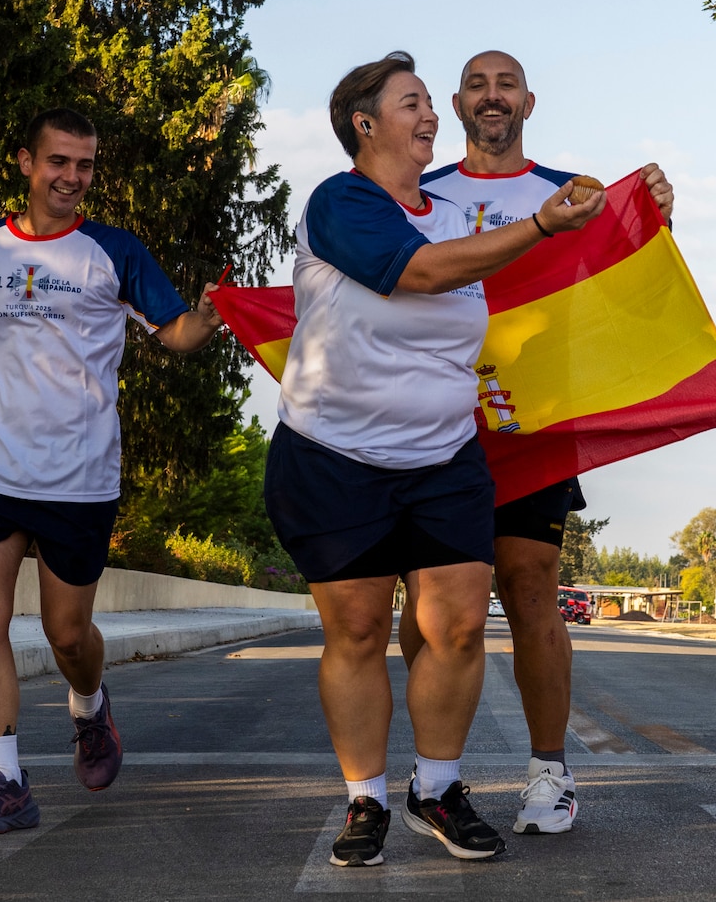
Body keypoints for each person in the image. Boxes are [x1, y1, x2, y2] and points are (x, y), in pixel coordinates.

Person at [266, 51, 603, 868]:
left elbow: (545, 266)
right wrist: (543, 224)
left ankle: (438, 788)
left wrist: (628, 208)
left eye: (427, 104)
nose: (428, 118)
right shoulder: (342, 200)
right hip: (333, 455)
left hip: (444, 457)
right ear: (365, 123)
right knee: (354, 629)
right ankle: (365, 800)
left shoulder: (454, 214)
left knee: (453, 628)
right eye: (412, 103)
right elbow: (418, 273)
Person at [0, 108, 222, 836]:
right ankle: (4, 777)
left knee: (69, 635)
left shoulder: (114, 251)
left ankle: (91, 707)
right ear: (26, 163)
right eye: (59, 161)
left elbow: (175, 331)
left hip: (80, 476)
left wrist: (209, 317)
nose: (72, 176)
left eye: (86, 164)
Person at [403, 49, 675, 836]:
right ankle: (433, 774)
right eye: (479, 86)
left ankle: (549, 774)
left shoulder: (572, 195)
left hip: (535, 421)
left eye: (507, 85)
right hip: (433, 423)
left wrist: (653, 209)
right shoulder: (418, 195)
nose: (494, 97)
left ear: (530, 100)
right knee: (425, 611)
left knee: (530, 585)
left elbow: (627, 275)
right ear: (455, 103)